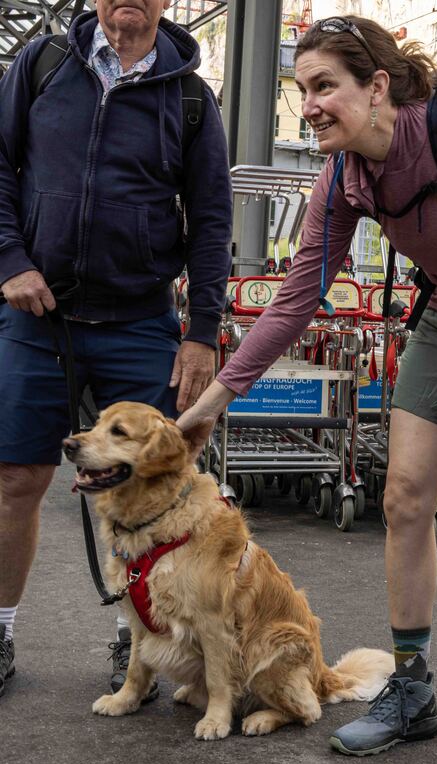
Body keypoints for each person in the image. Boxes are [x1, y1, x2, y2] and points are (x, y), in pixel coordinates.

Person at [177, 15, 437, 764]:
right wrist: (215, 401)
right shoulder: (344, 177)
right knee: (402, 499)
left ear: (377, 87)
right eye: (304, 90)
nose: (310, 106)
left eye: (325, 86)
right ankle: (411, 691)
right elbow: (297, 297)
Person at [0, 0, 232, 701]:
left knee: (154, 487)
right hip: (38, 316)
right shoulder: (43, 65)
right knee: (16, 480)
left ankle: (140, 640)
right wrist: (10, 259)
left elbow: (211, 216)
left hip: (138, 322)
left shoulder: (190, 98)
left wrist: (202, 331)